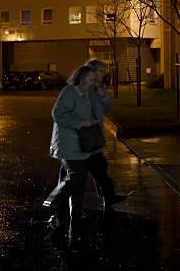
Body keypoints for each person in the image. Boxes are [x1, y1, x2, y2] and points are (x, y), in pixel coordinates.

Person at [43, 63, 124, 232]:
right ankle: (53, 200)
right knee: (77, 175)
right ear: (81, 78)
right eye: (90, 79)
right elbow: (57, 114)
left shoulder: (85, 94)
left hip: (80, 144)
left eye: (94, 80)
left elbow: (90, 113)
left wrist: (91, 122)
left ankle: (75, 213)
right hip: (67, 143)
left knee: (78, 178)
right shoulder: (69, 92)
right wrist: (79, 123)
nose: (93, 82)